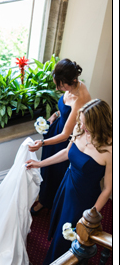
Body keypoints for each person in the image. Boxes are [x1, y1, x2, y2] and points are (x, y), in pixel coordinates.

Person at [26, 99, 112, 265]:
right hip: (67, 185)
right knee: (59, 224)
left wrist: (90, 215)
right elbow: (66, 152)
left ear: (98, 123)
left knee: (68, 234)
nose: (82, 126)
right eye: (81, 122)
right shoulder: (79, 130)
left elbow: (107, 189)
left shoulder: (110, 149)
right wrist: (39, 164)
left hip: (84, 199)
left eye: (86, 124)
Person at [29, 59, 91, 214]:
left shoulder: (81, 99)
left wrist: (42, 143)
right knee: (47, 170)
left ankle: (50, 202)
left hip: (65, 141)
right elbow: (64, 111)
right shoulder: (71, 87)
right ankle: (43, 198)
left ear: (74, 80)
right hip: (55, 130)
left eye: (62, 86)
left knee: (56, 172)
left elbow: (66, 135)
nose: (59, 88)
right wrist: (55, 115)